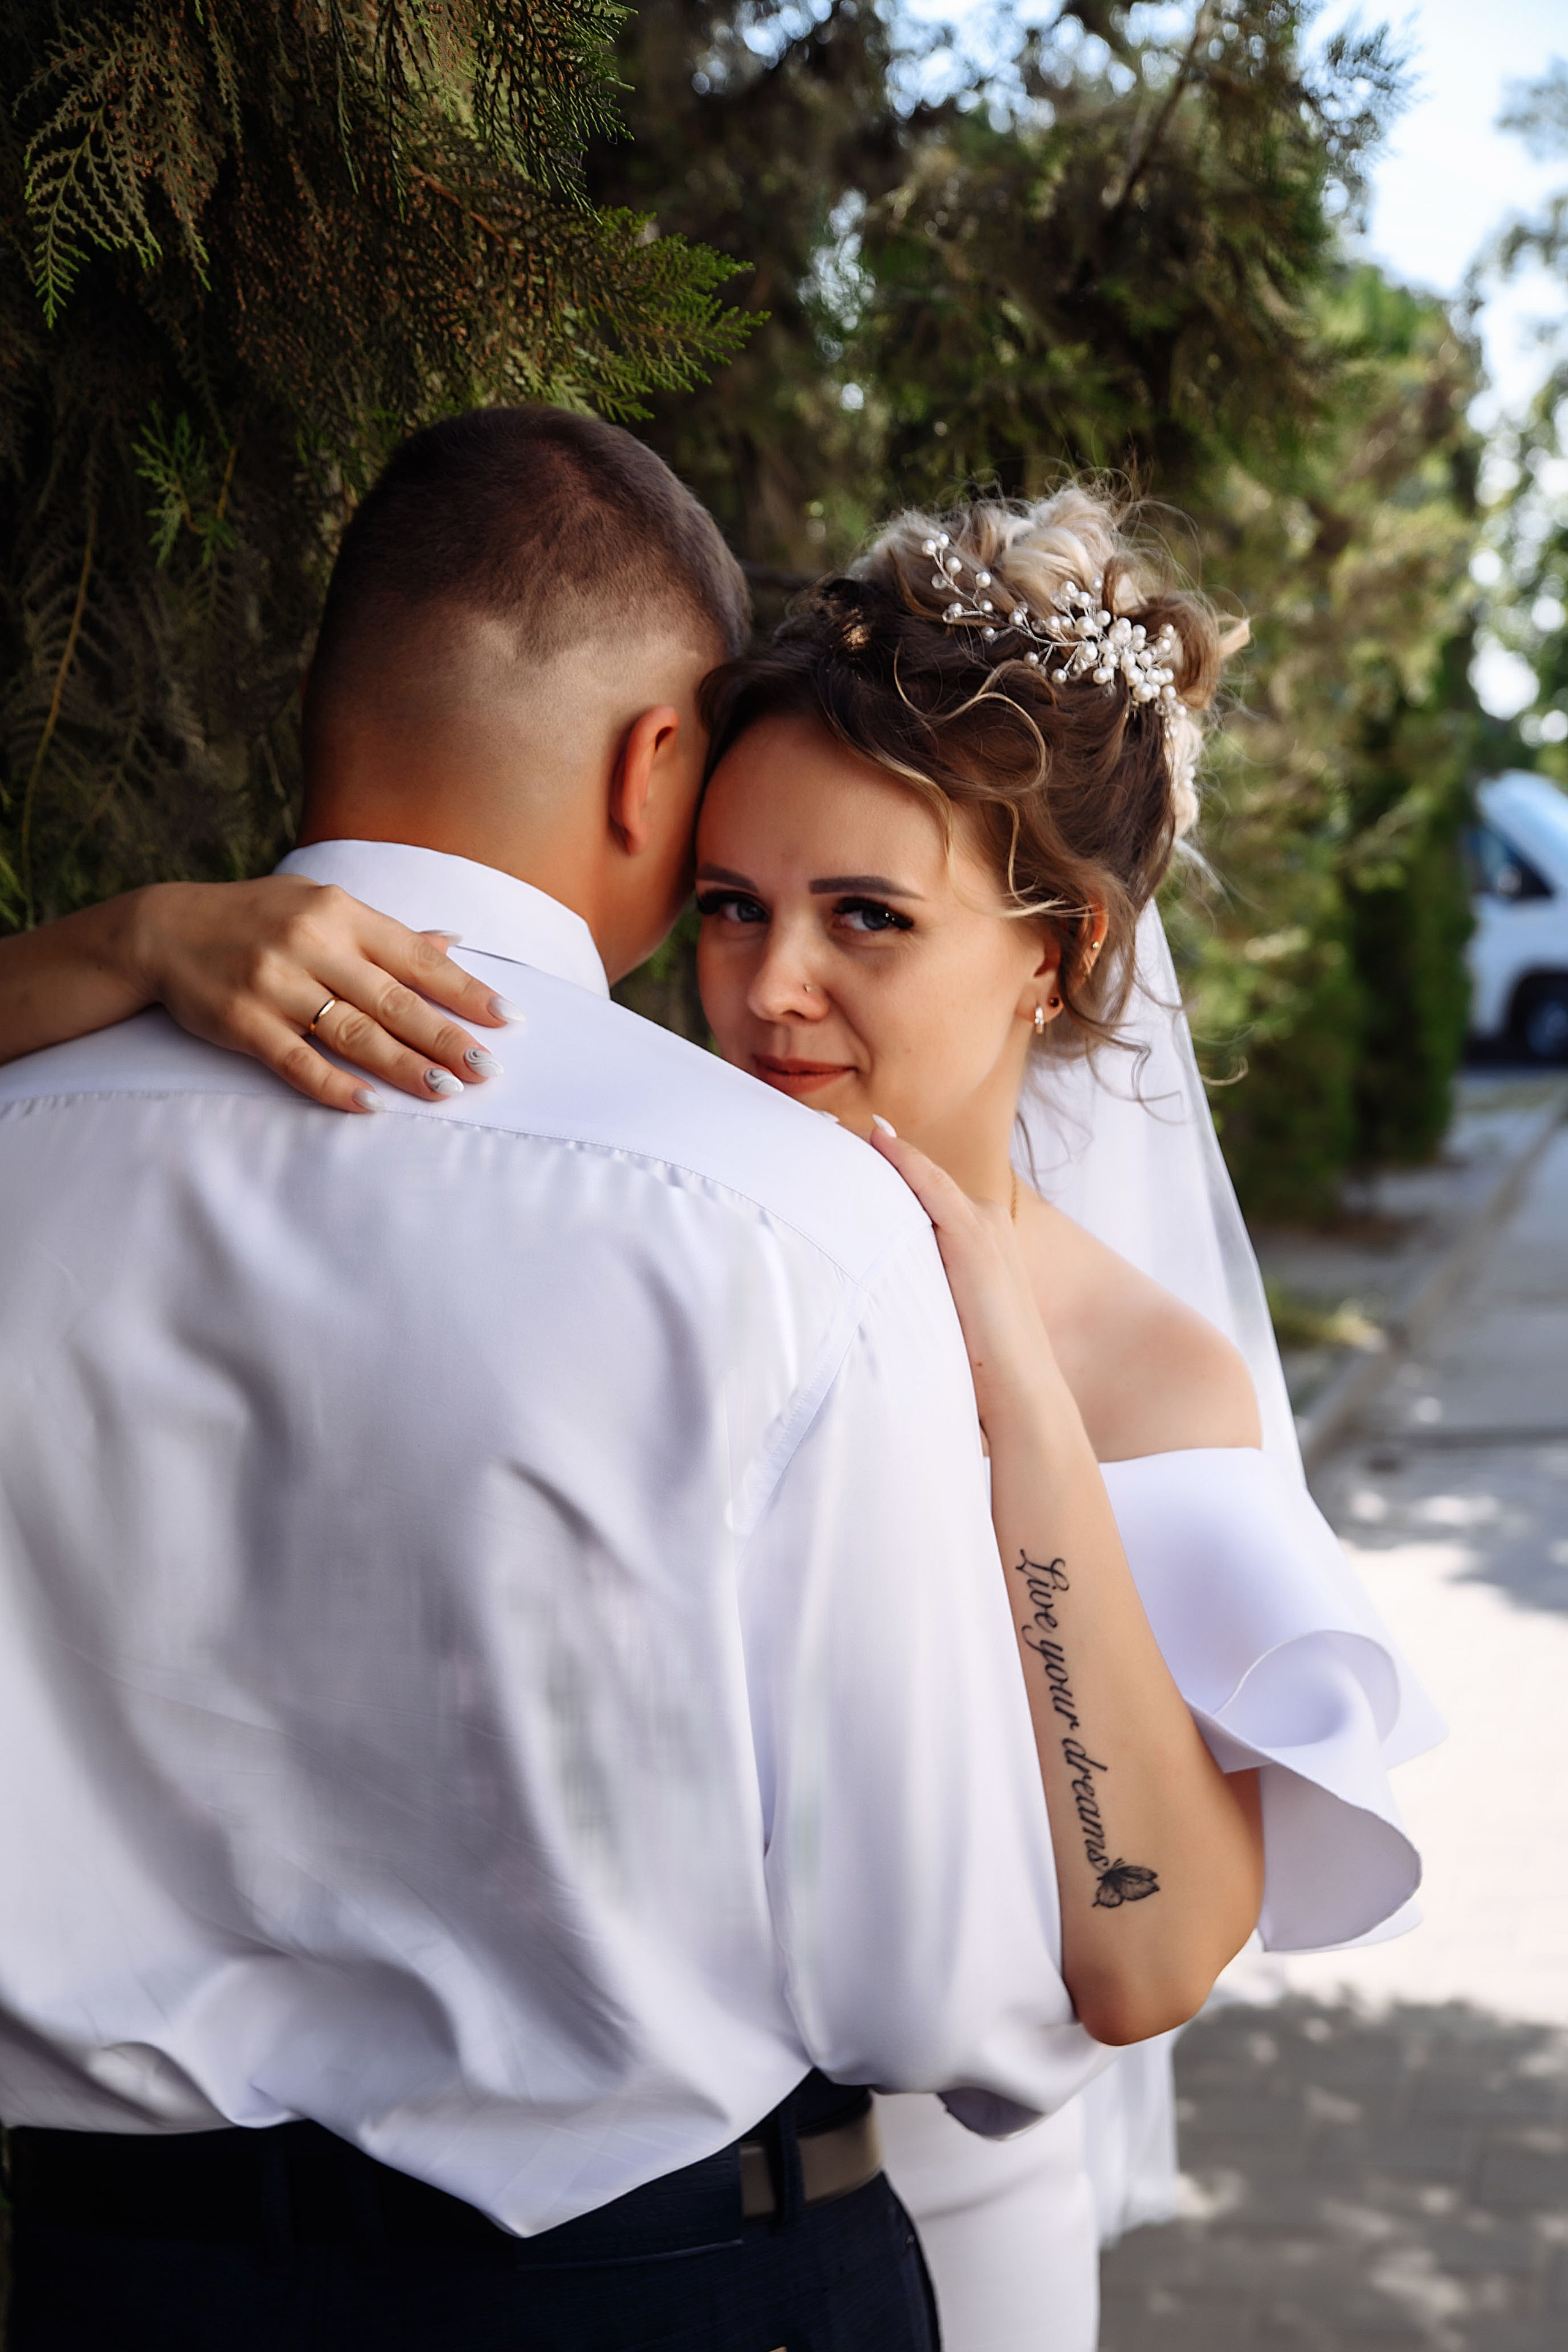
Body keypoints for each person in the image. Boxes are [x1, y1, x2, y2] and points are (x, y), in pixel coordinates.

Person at [0, 442, 1442, 2351]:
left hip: (898, 2178)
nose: (767, 991)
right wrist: (111, 944)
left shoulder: (1105, 1352)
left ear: (1056, 959)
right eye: (734, 910)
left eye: (868, 917)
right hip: (686, 2192)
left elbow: (1145, 1943)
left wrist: (1009, 1375)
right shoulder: (748, 1238)